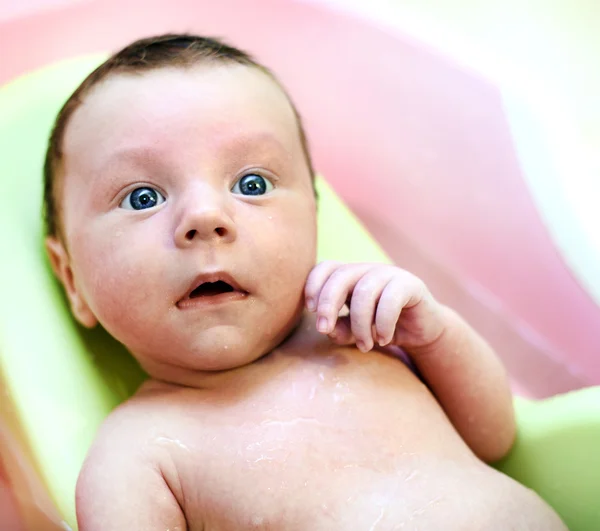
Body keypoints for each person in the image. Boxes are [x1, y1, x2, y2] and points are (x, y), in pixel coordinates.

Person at [43, 34, 565, 530]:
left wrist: (434, 335)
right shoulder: (139, 453)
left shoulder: (368, 335)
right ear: (72, 280)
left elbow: (494, 438)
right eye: (142, 197)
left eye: (252, 184)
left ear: (315, 219)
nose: (205, 215)